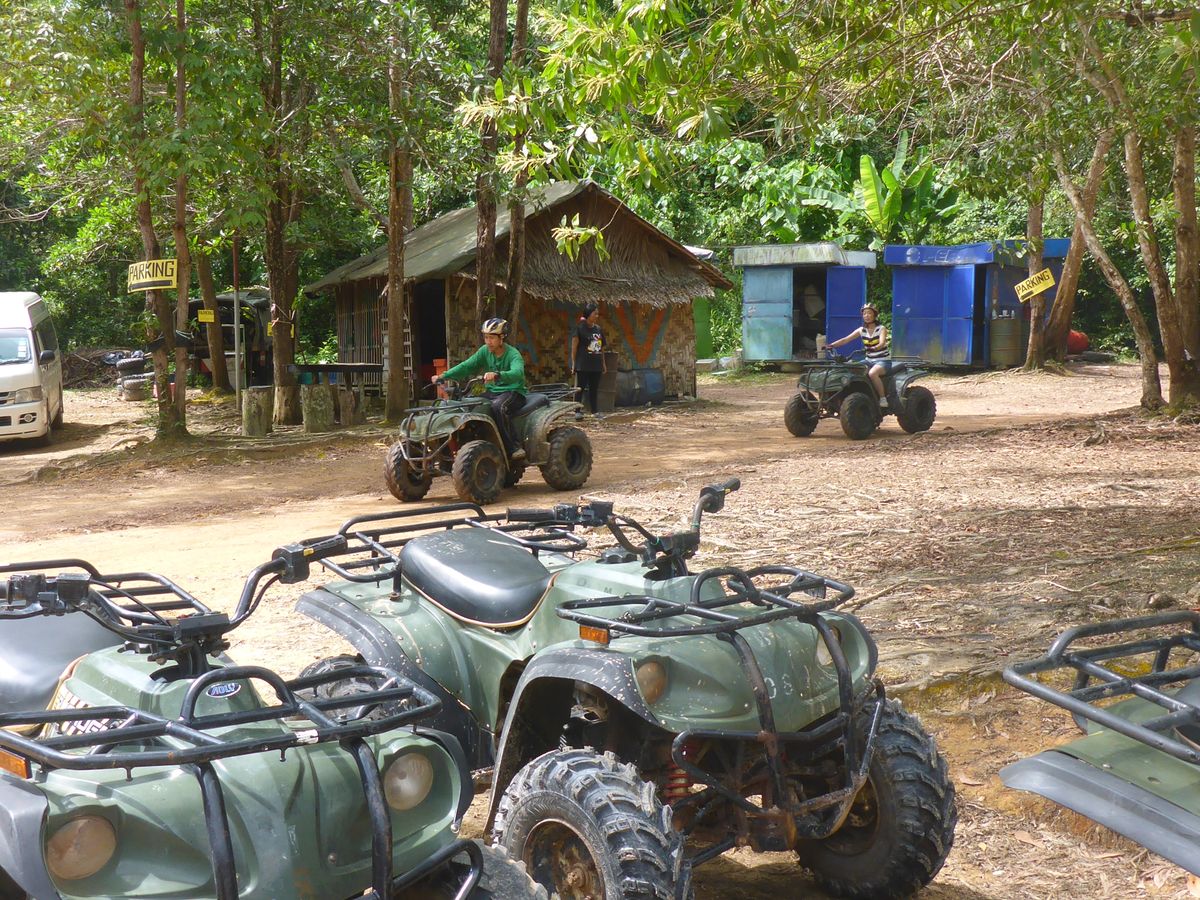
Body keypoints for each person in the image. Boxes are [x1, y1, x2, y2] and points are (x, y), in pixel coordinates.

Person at [432, 318, 528, 460]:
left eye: (492, 338)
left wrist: (498, 375)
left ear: (502, 337)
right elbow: (467, 366)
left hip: (513, 392)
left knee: (498, 407)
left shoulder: (513, 354)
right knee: (470, 404)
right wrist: (444, 376)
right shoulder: (484, 351)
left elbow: (517, 373)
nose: (488, 341)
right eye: (486, 337)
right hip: (492, 392)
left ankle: (514, 447)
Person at [827, 303, 892, 404]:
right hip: (868, 360)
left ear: (875, 315)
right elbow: (845, 340)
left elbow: (882, 343)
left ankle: (883, 398)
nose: (866, 315)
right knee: (850, 367)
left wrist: (875, 348)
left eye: (869, 313)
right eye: (864, 313)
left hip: (883, 361)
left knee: (872, 373)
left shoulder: (881, 329)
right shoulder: (861, 330)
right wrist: (831, 345)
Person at [569, 302, 606, 414]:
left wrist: (603, 363)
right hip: (583, 365)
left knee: (594, 389)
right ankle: (577, 411)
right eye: (595, 314)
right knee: (580, 389)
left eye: (597, 314)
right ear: (589, 314)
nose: (597, 316)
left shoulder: (598, 329)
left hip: (596, 364)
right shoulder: (579, 329)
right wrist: (574, 363)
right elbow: (574, 348)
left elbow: (601, 348)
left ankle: (594, 411)